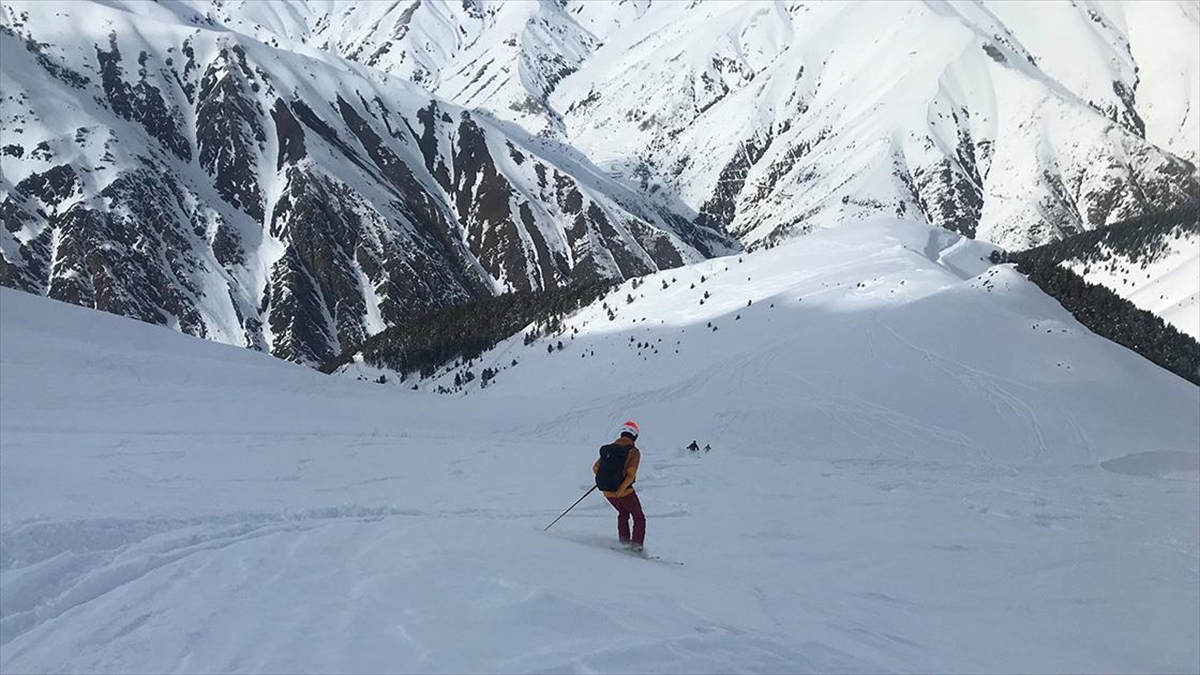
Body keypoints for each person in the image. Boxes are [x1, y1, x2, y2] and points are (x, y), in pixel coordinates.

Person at [593, 421, 645, 551]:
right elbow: (631, 475)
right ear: (635, 436)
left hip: (607, 491)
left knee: (623, 513)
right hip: (624, 492)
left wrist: (608, 479)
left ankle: (624, 543)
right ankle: (636, 547)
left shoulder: (609, 449)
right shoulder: (633, 451)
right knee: (639, 517)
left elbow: (595, 468)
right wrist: (620, 490)